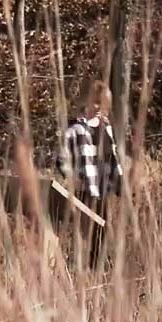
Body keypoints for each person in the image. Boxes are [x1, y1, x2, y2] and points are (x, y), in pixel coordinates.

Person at [58, 80, 124, 268]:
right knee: (83, 232)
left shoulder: (106, 129)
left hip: (102, 189)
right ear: (84, 102)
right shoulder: (74, 130)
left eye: (102, 104)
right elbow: (61, 159)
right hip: (84, 190)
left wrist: (120, 184)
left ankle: (97, 268)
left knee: (101, 231)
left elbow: (114, 158)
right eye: (94, 103)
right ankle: (78, 267)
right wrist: (72, 178)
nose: (98, 108)